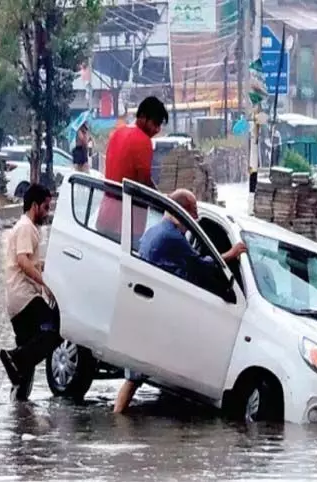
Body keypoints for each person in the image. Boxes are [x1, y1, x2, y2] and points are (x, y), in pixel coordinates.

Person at [113, 188, 247, 414]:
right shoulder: (172, 236)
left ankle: (121, 419)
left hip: (148, 308)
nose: (195, 218)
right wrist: (230, 255)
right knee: (135, 378)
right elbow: (200, 265)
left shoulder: (153, 231)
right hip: (159, 312)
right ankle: (119, 417)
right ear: (182, 211)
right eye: (193, 212)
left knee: (136, 376)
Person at [0, 183, 61, 401]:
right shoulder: (26, 227)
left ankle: (19, 414)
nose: (47, 212)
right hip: (25, 296)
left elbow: (30, 260)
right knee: (55, 330)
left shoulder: (24, 228)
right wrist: (45, 284)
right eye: (45, 207)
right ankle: (14, 358)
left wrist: (46, 265)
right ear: (34, 206)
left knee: (25, 368)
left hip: (15, 301)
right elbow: (23, 261)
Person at [95, 96, 169, 239]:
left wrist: (161, 197)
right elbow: (143, 185)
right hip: (127, 224)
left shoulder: (117, 133)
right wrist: (164, 204)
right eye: (155, 123)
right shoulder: (143, 141)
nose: (157, 129)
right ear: (142, 117)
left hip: (105, 216)